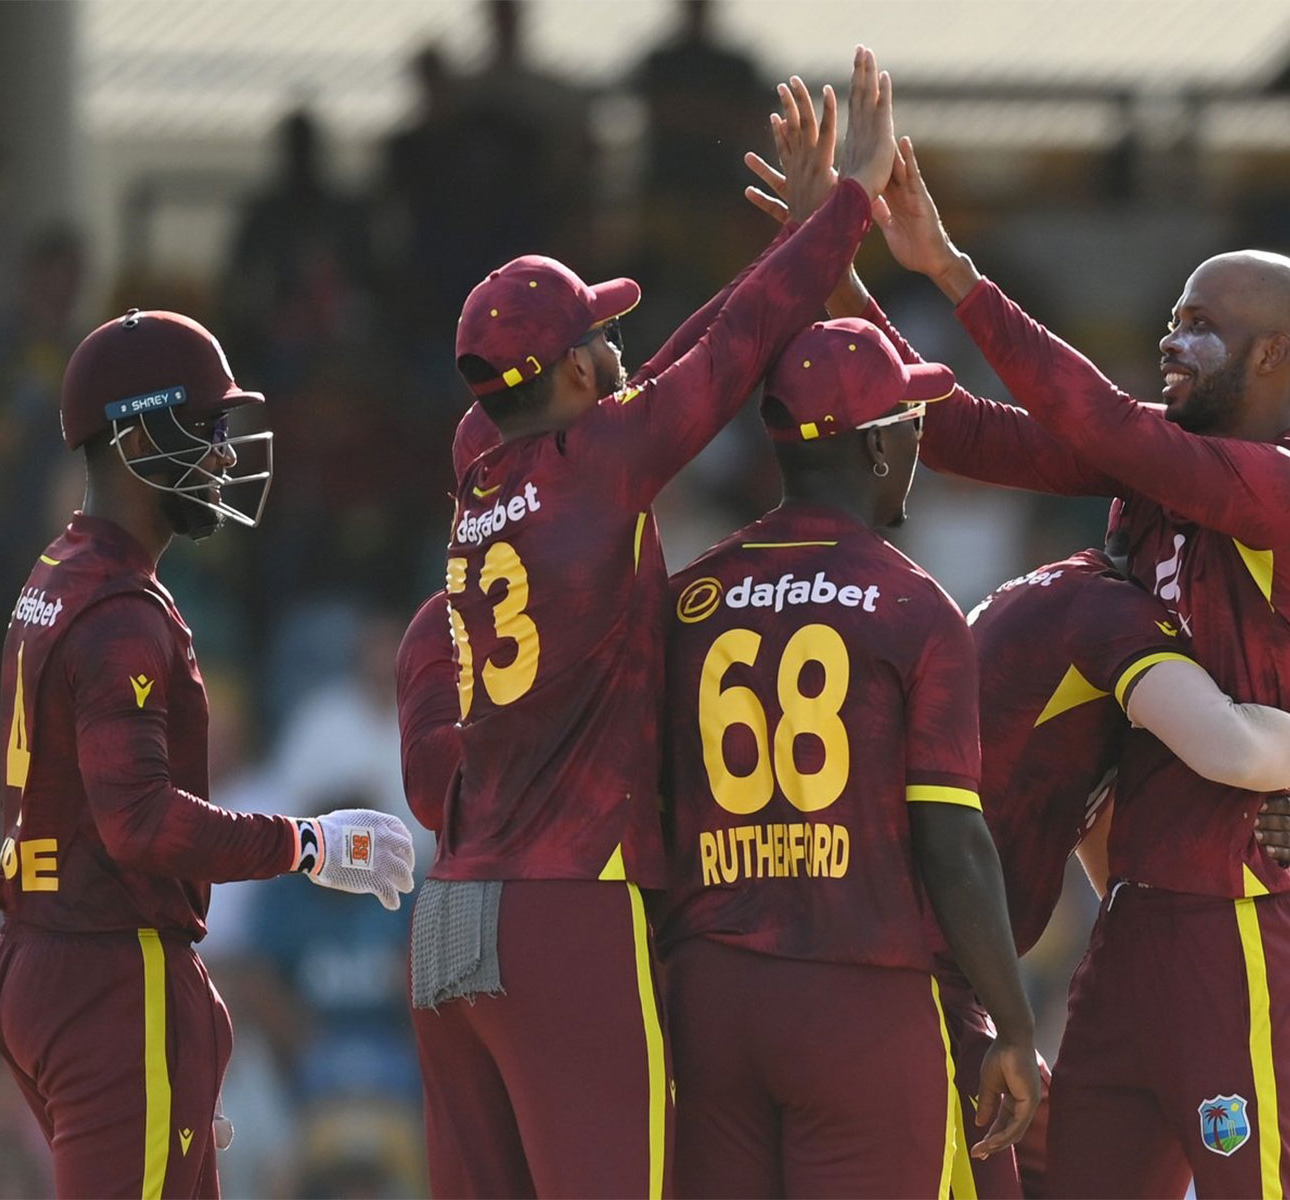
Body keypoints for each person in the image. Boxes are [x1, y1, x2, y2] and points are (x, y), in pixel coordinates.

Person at [406, 48, 899, 1199]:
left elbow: (684, 360)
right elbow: (728, 356)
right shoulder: (599, 466)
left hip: (449, 920)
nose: (623, 356)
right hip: (564, 905)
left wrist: (800, 233)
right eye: (602, 341)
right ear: (575, 375)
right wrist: (847, 206)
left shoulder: (483, 474)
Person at [852, 138, 1290, 1198]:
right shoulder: (1152, 466)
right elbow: (952, 429)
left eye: (1202, 326)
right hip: (1127, 926)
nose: (1172, 340)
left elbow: (1094, 421)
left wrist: (951, 271)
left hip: (1232, 919)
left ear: (1272, 358)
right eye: (1174, 316)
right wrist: (826, 266)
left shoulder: (1287, 497)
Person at [0, 309, 416, 1200]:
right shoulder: (122, 610)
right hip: (106, 973)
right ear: (135, 439)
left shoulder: (58, 570)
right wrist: (313, 845)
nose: (220, 454)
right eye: (204, 428)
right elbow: (137, 823)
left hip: (45, 955)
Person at [657, 317, 1039, 1198]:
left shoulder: (689, 598)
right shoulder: (913, 605)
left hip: (709, 992)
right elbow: (951, 839)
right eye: (909, 424)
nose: (917, 442)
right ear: (877, 451)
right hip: (858, 987)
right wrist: (1014, 1027)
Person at [941, 547, 1290, 1198]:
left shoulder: (1057, 604)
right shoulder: (1112, 612)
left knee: (1045, 1169)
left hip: (930, 982)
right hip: (919, 989)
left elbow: (1114, 825)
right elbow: (1232, 746)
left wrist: (1229, 830)